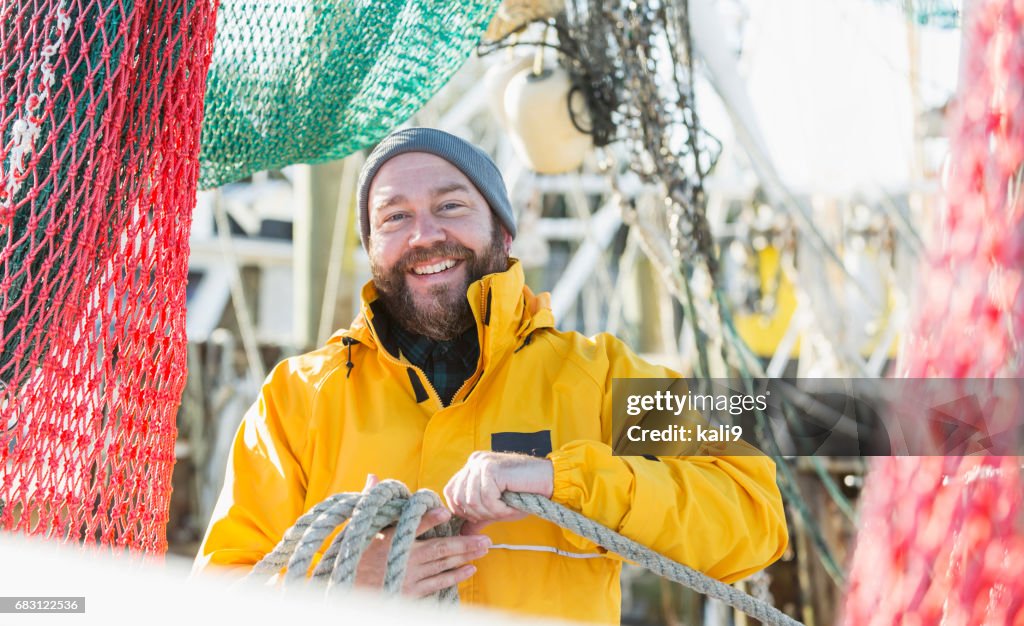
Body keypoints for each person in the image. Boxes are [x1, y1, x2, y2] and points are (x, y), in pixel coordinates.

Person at [194, 127, 788, 623]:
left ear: (504, 232)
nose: (425, 234)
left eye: (451, 206)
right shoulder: (299, 400)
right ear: (373, 249)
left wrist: (565, 480)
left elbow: (750, 513)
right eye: (395, 217)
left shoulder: (601, 378)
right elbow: (213, 598)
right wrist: (338, 585)